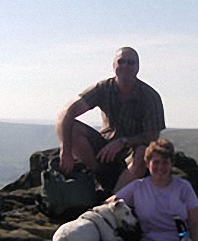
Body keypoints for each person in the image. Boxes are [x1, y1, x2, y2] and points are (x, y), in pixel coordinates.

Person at [57, 47, 165, 192]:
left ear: (137, 67)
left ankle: (111, 199)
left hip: (131, 151)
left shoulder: (150, 96)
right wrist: (66, 150)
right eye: (121, 62)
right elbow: (67, 112)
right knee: (73, 128)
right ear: (114, 66)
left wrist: (123, 142)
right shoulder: (103, 88)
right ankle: (99, 176)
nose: (125, 66)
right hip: (104, 146)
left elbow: (152, 137)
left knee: (142, 154)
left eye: (130, 63)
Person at [113, 138, 198, 241]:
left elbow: (196, 223)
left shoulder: (183, 187)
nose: (160, 168)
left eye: (165, 163)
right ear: (147, 163)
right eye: (155, 162)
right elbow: (111, 204)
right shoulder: (138, 187)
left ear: (171, 164)